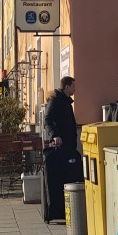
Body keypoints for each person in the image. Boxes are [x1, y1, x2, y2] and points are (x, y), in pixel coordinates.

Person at [43, 77, 81, 221]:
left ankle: (68, 208)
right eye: (73, 86)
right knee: (61, 178)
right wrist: (55, 135)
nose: (75, 89)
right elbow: (47, 119)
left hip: (69, 145)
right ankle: (58, 210)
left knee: (71, 176)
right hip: (61, 146)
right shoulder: (56, 101)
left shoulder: (66, 102)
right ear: (66, 87)